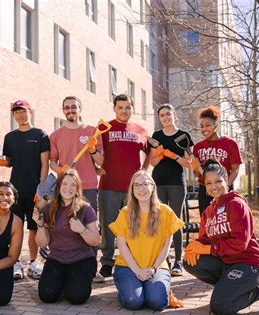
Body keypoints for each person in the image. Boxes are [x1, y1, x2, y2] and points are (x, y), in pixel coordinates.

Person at [183, 159, 259, 315]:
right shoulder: (208, 212)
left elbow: (239, 243)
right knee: (190, 262)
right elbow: (204, 240)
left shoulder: (236, 205)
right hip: (227, 262)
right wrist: (193, 246)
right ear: (205, 187)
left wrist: (207, 248)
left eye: (218, 181)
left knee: (219, 307)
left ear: (226, 181)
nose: (213, 186)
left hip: (248, 263)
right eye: (208, 183)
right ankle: (228, 287)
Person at [109, 170, 184, 311]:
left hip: (156, 266)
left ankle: (149, 287)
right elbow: (122, 246)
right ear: (132, 190)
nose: (141, 188)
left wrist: (153, 268)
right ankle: (128, 289)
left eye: (145, 184)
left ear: (153, 187)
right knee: (133, 301)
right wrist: (137, 270)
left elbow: (166, 246)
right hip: (128, 266)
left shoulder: (166, 212)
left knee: (158, 302)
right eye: (136, 185)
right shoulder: (125, 212)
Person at [98, 94, 148, 280]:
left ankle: (132, 259)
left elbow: (149, 152)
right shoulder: (104, 128)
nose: (124, 111)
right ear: (114, 108)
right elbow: (94, 152)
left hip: (133, 189)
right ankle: (107, 262)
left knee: (133, 224)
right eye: (120, 107)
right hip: (109, 185)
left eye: (128, 107)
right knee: (108, 225)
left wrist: (144, 170)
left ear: (132, 109)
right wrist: (96, 167)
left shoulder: (140, 130)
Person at [33, 169, 100, 305]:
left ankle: (78, 280)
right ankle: (64, 281)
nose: (68, 188)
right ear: (58, 186)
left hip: (81, 258)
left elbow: (95, 240)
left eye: (72, 185)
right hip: (57, 258)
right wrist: (40, 225)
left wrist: (81, 230)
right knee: (47, 296)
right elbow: (42, 243)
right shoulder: (49, 208)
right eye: (64, 184)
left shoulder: (85, 209)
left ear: (77, 189)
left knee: (76, 298)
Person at [2, 100, 50, 280]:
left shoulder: (41, 135)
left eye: (23, 111)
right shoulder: (10, 137)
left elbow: (45, 162)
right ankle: (15, 263)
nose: (20, 115)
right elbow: (8, 161)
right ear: (14, 115)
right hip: (15, 191)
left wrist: (42, 188)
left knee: (34, 229)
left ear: (31, 112)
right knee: (15, 228)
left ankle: (33, 263)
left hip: (34, 190)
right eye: (17, 112)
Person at [149, 104, 195, 276]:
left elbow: (189, 163)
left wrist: (173, 156)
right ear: (159, 118)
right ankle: (163, 259)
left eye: (168, 114)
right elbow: (153, 163)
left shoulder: (184, 136)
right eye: (162, 115)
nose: (166, 117)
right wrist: (160, 154)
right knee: (160, 220)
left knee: (175, 220)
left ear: (174, 115)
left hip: (177, 183)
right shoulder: (156, 136)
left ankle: (178, 261)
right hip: (158, 182)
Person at [49, 96, 104, 211]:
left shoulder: (92, 132)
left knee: (89, 224)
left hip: (88, 186)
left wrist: (92, 150)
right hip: (65, 187)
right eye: (67, 108)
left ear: (80, 109)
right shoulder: (55, 135)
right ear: (63, 111)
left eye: (74, 107)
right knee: (65, 225)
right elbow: (52, 163)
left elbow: (101, 161)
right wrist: (60, 169)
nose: (70, 110)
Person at [193, 106, 242, 215]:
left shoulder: (230, 144)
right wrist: (195, 167)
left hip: (225, 188)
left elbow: (235, 169)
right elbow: (197, 174)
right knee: (207, 223)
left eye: (207, 125)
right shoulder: (198, 147)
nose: (204, 129)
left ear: (216, 125)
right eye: (201, 126)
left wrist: (226, 186)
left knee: (226, 221)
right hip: (205, 189)